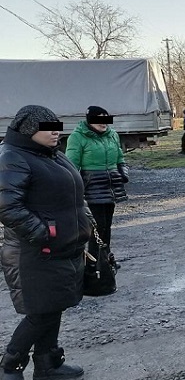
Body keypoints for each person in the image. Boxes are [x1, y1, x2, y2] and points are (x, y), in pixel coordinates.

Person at [0, 105, 91, 380]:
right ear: (27, 129)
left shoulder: (52, 155)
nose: (56, 132)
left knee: (55, 304)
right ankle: (10, 365)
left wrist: (85, 220)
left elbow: (76, 195)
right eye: (47, 127)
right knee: (40, 312)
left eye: (57, 126)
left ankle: (47, 364)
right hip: (34, 252)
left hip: (61, 248)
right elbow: (7, 206)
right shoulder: (12, 157)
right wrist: (44, 233)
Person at [65, 106, 129, 271]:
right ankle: (94, 265)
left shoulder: (112, 135)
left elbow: (120, 158)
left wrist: (123, 173)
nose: (103, 123)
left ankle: (105, 258)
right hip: (92, 189)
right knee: (96, 228)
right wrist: (74, 189)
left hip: (111, 188)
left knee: (106, 226)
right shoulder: (78, 137)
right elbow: (71, 166)